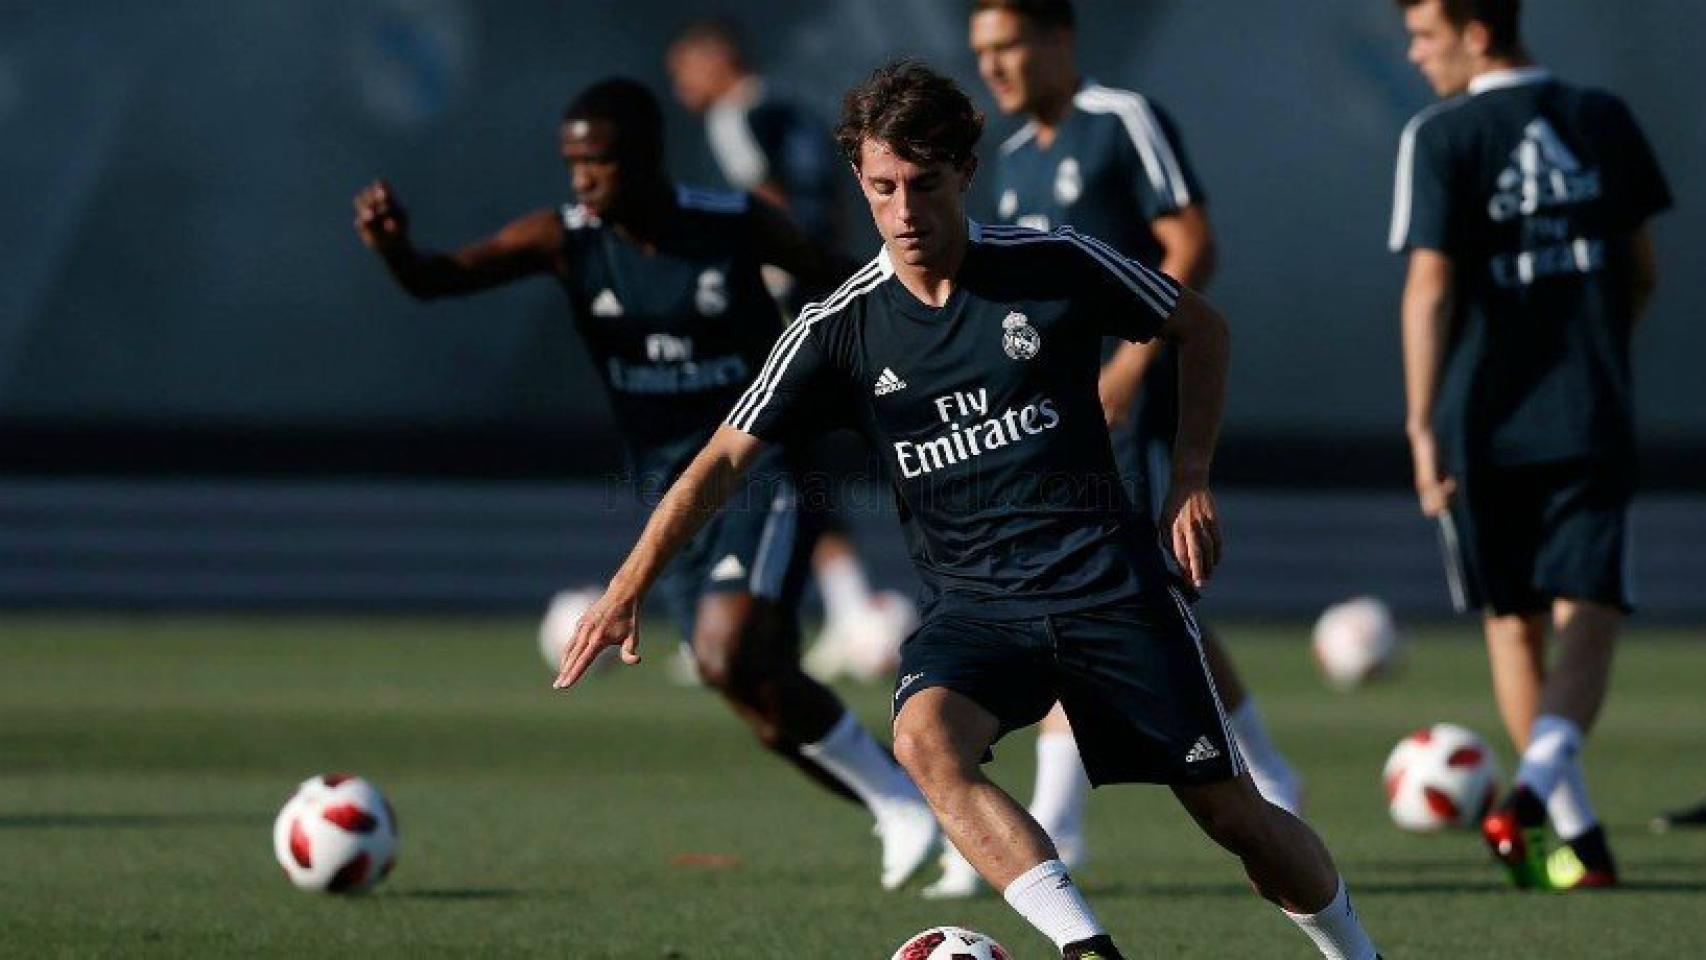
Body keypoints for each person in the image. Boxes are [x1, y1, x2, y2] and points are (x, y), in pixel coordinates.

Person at [558, 60, 1380, 960]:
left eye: (923, 184)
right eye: (881, 189)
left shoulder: (1054, 264)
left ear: (964, 175)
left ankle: (1355, 951)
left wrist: (1189, 476)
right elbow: (722, 454)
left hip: (1111, 591)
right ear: (858, 184)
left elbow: (1201, 328)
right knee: (923, 739)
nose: (904, 211)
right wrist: (628, 583)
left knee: (1235, 820)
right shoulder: (836, 327)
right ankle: (1087, 950)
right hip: (979, 610)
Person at [352, 77, 938, 890]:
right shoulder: (565, 239)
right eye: (572, 164)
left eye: (598, 163)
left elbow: (839, 277)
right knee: (743, 682)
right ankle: (905, 803)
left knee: (730, 651)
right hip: (669, 495)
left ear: (648, 159)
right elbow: (441, 278)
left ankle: (908, 805)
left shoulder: (730, 223)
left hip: (761, 465)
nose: (582, 181)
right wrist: (394, 249)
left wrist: (928, 334)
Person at [922, 0, 1307, 899]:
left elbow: (1191, 244)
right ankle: (1274, 776)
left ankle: (1061, 818)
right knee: (1141, 592)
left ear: (1060, 39)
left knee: (1098, 586)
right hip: (1059, 424)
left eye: (1012, 44)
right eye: (983, 51)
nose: (998, 66)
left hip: (1135, 410)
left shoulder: (1121, 120)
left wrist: (1130, 370)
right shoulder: (1010, 160)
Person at [1389, 0, 1668, 891]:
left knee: (1513, 625)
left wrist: (1421, 422)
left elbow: (1430, 288)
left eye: (1427, 36)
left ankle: (1556, 821)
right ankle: (1558, 814)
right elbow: (1641, 269)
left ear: (1476, 32)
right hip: (1590, 410)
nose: (1415, 53)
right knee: (1588, 611)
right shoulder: (1602, 119)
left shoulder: (1441, 135)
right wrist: (1598, 352)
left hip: (1483, 421)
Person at [667, 18, 917, 682]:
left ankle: (742, 617)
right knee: (805, 459)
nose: (680, 86)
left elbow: (765, 202)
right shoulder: (793, 110)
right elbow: (827, 201)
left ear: (717, 61)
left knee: (752, 450)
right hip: (828, 288)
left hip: (784, 304)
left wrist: (755, 277)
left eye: (685, 69)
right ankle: (843, 609)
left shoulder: (736, 115)